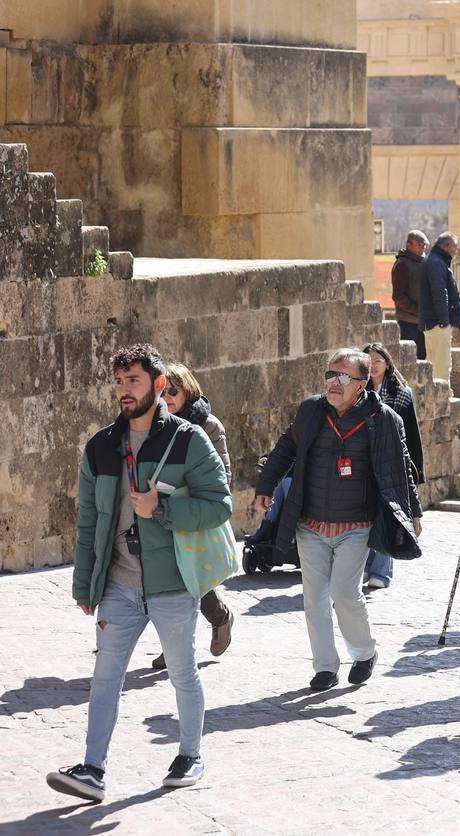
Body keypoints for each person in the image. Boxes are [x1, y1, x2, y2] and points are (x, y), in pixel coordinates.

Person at [47, 344, 231, 803]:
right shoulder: (101, 447)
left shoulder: (189, 439)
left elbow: (220, 505)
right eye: (119, 381)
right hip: (119, 585)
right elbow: (89, 521)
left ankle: (190, 755)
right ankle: (92, 769)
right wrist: (85, 583)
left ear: (159, 385)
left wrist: (162, 509)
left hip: (172, 584)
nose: (124, 391)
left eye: (134, 381)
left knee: (183, 673)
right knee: (105, 676)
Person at [255, 349, 422, 691]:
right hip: (310, 523)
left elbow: (402, 466)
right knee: (314, 598)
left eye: (344, 377)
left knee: (344, 592)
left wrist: (413, 511)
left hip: (356, 526)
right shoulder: (312, 410)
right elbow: (286, 448)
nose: (334, 382)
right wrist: (266, 485)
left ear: (362, 383)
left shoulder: (383, 418)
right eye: (331, 374)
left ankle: (364, 653)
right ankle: (325, 667)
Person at [148, 362, 235, 671]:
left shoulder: (208, 426)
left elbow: (221, 475)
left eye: (174, 390)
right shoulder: (151, 423)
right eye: (162, 390)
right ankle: (174, 645)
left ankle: (219, 617)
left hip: (192, 511)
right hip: (157, 512)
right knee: (167, 578)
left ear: (188, 391)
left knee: (190, 576)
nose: (168, 396)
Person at [361, 342, 425, 591]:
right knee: (367, 516)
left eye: (378, 359)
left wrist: (415, 469)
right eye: (369, 360)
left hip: (394, 461)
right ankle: (367, 566)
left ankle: (381, 572)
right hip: (365, 463)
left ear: (387, 363)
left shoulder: (401, 393)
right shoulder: (357, 392)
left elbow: (410, 432)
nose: (374, 364)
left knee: (389, 513)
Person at [418, 232, 460, 381]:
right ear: (447, 246)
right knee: (442, 366)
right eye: (455, 247)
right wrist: (444, 321)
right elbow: (439, 293)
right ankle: (444, 402)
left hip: (431, 322)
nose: (456, 250)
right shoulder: (436, 263)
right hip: (437, 323)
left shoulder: (434, 260)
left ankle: (435, 401)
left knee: (433, 364)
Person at [391, 230, 428, 360]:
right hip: (408, 323)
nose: (423, 247)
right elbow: (398, 297)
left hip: (422, 323)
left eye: (424, 244)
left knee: (422, 361)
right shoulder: (403, 264)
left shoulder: (422, 263)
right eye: (419, 244)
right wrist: (418, 310)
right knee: (408, 360)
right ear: (409, 245)